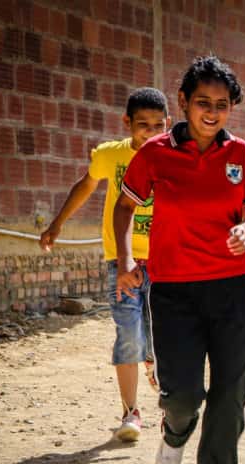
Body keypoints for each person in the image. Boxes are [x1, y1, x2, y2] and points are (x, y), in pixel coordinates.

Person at [113, 55, 245, 464]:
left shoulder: (242, 155)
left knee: (233, 388)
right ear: (183, 102)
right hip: (175, 290)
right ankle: (174, 432)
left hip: (232, 288)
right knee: (182, 394)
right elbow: (125, 208)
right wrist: (125, 259)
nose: (212, 112)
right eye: (202, 102)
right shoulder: (155, 154)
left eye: (222, 104)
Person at [39, 88, 169, 443]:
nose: (151, 132)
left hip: (166, 260)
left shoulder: (173, 155)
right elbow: (86, 185)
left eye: (158, 125)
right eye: (143, 125)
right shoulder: (112, 155)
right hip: (121, 259)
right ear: (127, 123)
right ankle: (130, 411)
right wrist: (57, 223)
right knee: (128, 329)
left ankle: (155, 364)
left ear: (168, 124)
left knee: (162, 332)